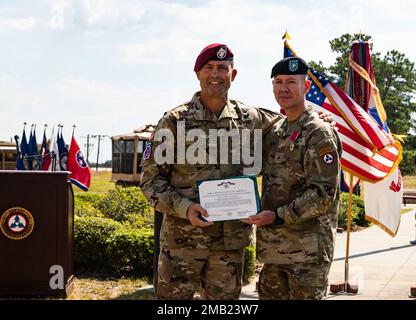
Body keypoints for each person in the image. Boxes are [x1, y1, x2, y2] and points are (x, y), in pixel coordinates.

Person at [140, 43, 281, 300]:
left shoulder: (250, 118)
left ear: (233, 75)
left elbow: (293, 122)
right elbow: (151, 182)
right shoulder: (174, 121)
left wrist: (318, 117)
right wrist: (185, 208)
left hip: (229, 248)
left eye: (222, 68)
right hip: (182, 244)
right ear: (197, 73)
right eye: (208, 68)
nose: (215, 74)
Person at [243, 57, 342, 300]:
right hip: (274, 253)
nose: (283, 88)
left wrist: (276, 216)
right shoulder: (275, 131)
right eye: (278, 82)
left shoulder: (318, 132)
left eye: (291, 82)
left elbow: (323, 195)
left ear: (306, 87)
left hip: (308, 254)